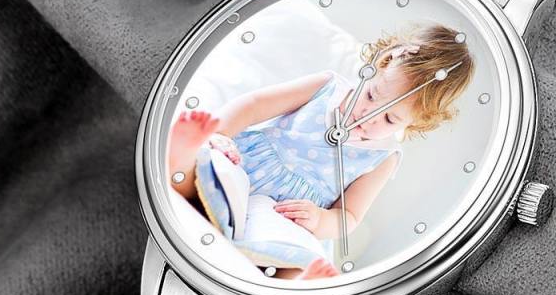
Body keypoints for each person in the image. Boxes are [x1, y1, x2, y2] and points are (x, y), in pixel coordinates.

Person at [169, 22, 475, 279]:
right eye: (371, 96)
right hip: (243, 164)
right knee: (208, 169)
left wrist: (319, 221)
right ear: (378, 66)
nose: (367, 116)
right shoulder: (326, 88)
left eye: (389, 119)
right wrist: (221, 134)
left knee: (295, 254)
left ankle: (299, 285)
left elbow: (349, 215)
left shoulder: (383, 157)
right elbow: (254, 106)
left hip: (287, 214)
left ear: (415, 124)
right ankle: (179, 157)